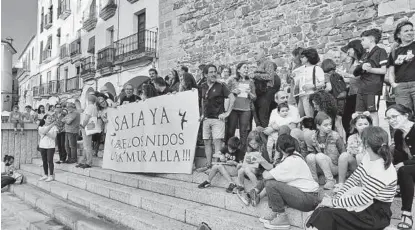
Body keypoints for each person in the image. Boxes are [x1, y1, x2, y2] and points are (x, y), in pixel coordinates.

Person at [306, 126, 397, 230]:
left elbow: (363, 198)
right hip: (366, 205)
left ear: (366, 144)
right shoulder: (368, 157)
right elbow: (354, 179)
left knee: (327, 215)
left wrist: (334, 202)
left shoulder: (382, 170)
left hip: (375, 214)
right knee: (323, 210)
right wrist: (336, 197)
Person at [250, 134, 320, 229]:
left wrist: (266, 171)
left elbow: (267, 176)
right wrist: (263, 163)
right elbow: (275, 169)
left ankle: (282, 218)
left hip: (308, 199)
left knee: (270, 183)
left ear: (279, 147)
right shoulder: (295, 155)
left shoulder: (289, 162)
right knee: (272, 178)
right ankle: (275, 212)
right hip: (307, 196)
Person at [197, 64, 235, 172]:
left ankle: (216, 166)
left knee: (217, 142)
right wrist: (202, 114)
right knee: (207, 143)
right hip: (206, 119)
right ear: (205, 75)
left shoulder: (221, 86)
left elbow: (232, 98)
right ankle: (209, 165)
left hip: (218, 120)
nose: (214, 74)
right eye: (211, 72)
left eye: (215, 72)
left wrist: (227, 113)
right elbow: (202, 100)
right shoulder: (203, 86)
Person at [386, 104, 415, 230]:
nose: (391, 120)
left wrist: (404, 164)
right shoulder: (398, 133)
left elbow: (402, 163)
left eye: (394, 116)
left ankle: (406, 213)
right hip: (409, 170)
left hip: (409, 168)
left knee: (403, 169)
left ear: (406, 115)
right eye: (388, 118)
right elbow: (399, 158)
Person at [355, 28, 388, 126]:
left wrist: (370, 69)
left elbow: (384, 70)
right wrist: (362, 66)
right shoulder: (364, 55)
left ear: (371, 39)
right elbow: (355, 72)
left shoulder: (381, 51)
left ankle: (375, 137)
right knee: (359, 114)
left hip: (373, 89)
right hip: (361, 88)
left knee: (372, 113)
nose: (361, 43)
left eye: (363, 40)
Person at [305, 112, 346, 190]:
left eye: (330, 124)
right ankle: (314, 180)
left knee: (319, 156)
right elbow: (312, 155)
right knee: (310, 156)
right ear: (318, 126)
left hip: (334, 166)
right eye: (325, 125)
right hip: (322, 167)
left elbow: (343, 153)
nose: (329, 127)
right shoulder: (313, 137)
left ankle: (330, 180)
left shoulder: (335, 135)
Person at [336, 111, 372, 192]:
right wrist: (352, 151)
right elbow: (349, 153)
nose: (363, 126)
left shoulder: (374, 136)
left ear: (369, 124)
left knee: (360, 156)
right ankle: (341, 183)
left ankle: (363, 183)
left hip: (370, 167)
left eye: (366, 124)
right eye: (360, 125)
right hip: (356, 166)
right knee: (344, 155)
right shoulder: (352, 137)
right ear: (355, 126)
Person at [226, 62, 256, 153]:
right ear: (238, 70)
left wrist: (249, 93)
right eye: (244, 67)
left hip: (246, 109)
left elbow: (254, 97)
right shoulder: (232, 80)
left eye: (247, 67)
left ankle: (242, 154)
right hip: (234, 109)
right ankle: (229, 151)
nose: (246, 69)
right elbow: (226, 93)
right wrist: (233, 92)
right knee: (231, 131)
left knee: (244, 132)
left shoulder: (250, 82)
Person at [236, 128, 269, 205]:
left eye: (255, 144)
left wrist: (260, 160)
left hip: (260, 170)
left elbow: (267, 163)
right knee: (241, 170)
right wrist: (241, 164)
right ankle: (241, 187)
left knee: (247, 169)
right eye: (251, 144)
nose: (253, 145)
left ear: (259, 142)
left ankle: (255, 190)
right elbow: (246, 161)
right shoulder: (249, 149)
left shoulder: (262, 149)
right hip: (250, 169)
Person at [340, 40, 365, 139]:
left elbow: (361, 77)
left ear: (355, 49)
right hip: (351, 92)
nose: (348, 51)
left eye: (349, 48)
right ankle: (351, 139)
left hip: (359, 93)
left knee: (356, 118)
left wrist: (347, 75)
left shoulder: (362, 60)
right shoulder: (354, 62)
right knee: (346, 118)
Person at [388, 21, 415, 112]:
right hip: (401, 87)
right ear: (399, 35)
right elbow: (391, 71)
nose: (410, 32)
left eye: (411, 30)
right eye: (406, 31)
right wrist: (393, 84)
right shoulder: (394, 52)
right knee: (405, 115)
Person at [294, 48, 326, 117]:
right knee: (299, 116)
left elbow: (322, 83)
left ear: (308, 58)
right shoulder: (300, 69)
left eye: (302, 57)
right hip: (301, 96)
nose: (300, 59)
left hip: (311, 95)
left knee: (310, 116)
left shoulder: (317, 69)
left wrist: (312, 86)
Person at [253, 48, 281, 127]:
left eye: (256, 53)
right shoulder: (259, 65)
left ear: (262, 55)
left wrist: (255, 75)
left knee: (263, 116)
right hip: (260, 94)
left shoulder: (268, 63)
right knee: (259, 117)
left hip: (266, 93)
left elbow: (269, 76)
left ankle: (265, 136)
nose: (254, 56)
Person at [77, 94, 98, 169]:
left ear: (88, 100)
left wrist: (82, 125)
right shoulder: (94, 107)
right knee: (86, 145)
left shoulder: (89, 107)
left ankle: (88, 162)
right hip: (89, 127)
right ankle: (84, 161)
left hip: (86, 127)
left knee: (87, 145)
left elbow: (87, 118)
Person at [38, 114, 58, 182]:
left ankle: (51, 175)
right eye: (48, 118)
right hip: (42, 146)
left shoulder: (54, 127)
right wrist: (48, 130)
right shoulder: (41, 127)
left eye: (51, 118)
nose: (50, 119)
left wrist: (47, 133)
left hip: (51, 146)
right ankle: (45, 174)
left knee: (50, 160)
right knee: (44, 161)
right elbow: (43, 132)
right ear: (45, 119)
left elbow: (54, 136)